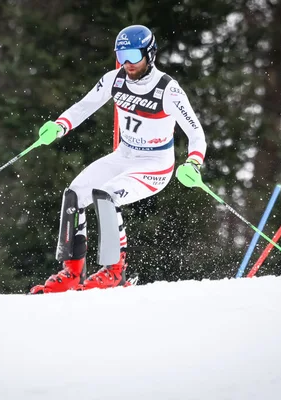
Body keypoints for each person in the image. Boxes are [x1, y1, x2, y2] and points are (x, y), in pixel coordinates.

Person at [30, 24, 207, 294]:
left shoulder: (167, 90)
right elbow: (86, 105)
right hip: (124, 156)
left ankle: (115, 272)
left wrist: (193, 162)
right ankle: (72, 274)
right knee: (75, 195)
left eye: (134, 56)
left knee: (107, 195)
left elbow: (196, 132)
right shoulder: (115, 79)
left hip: (155, 165)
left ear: (150, 54)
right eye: (122, 55)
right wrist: (60, 125)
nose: (128, 63)